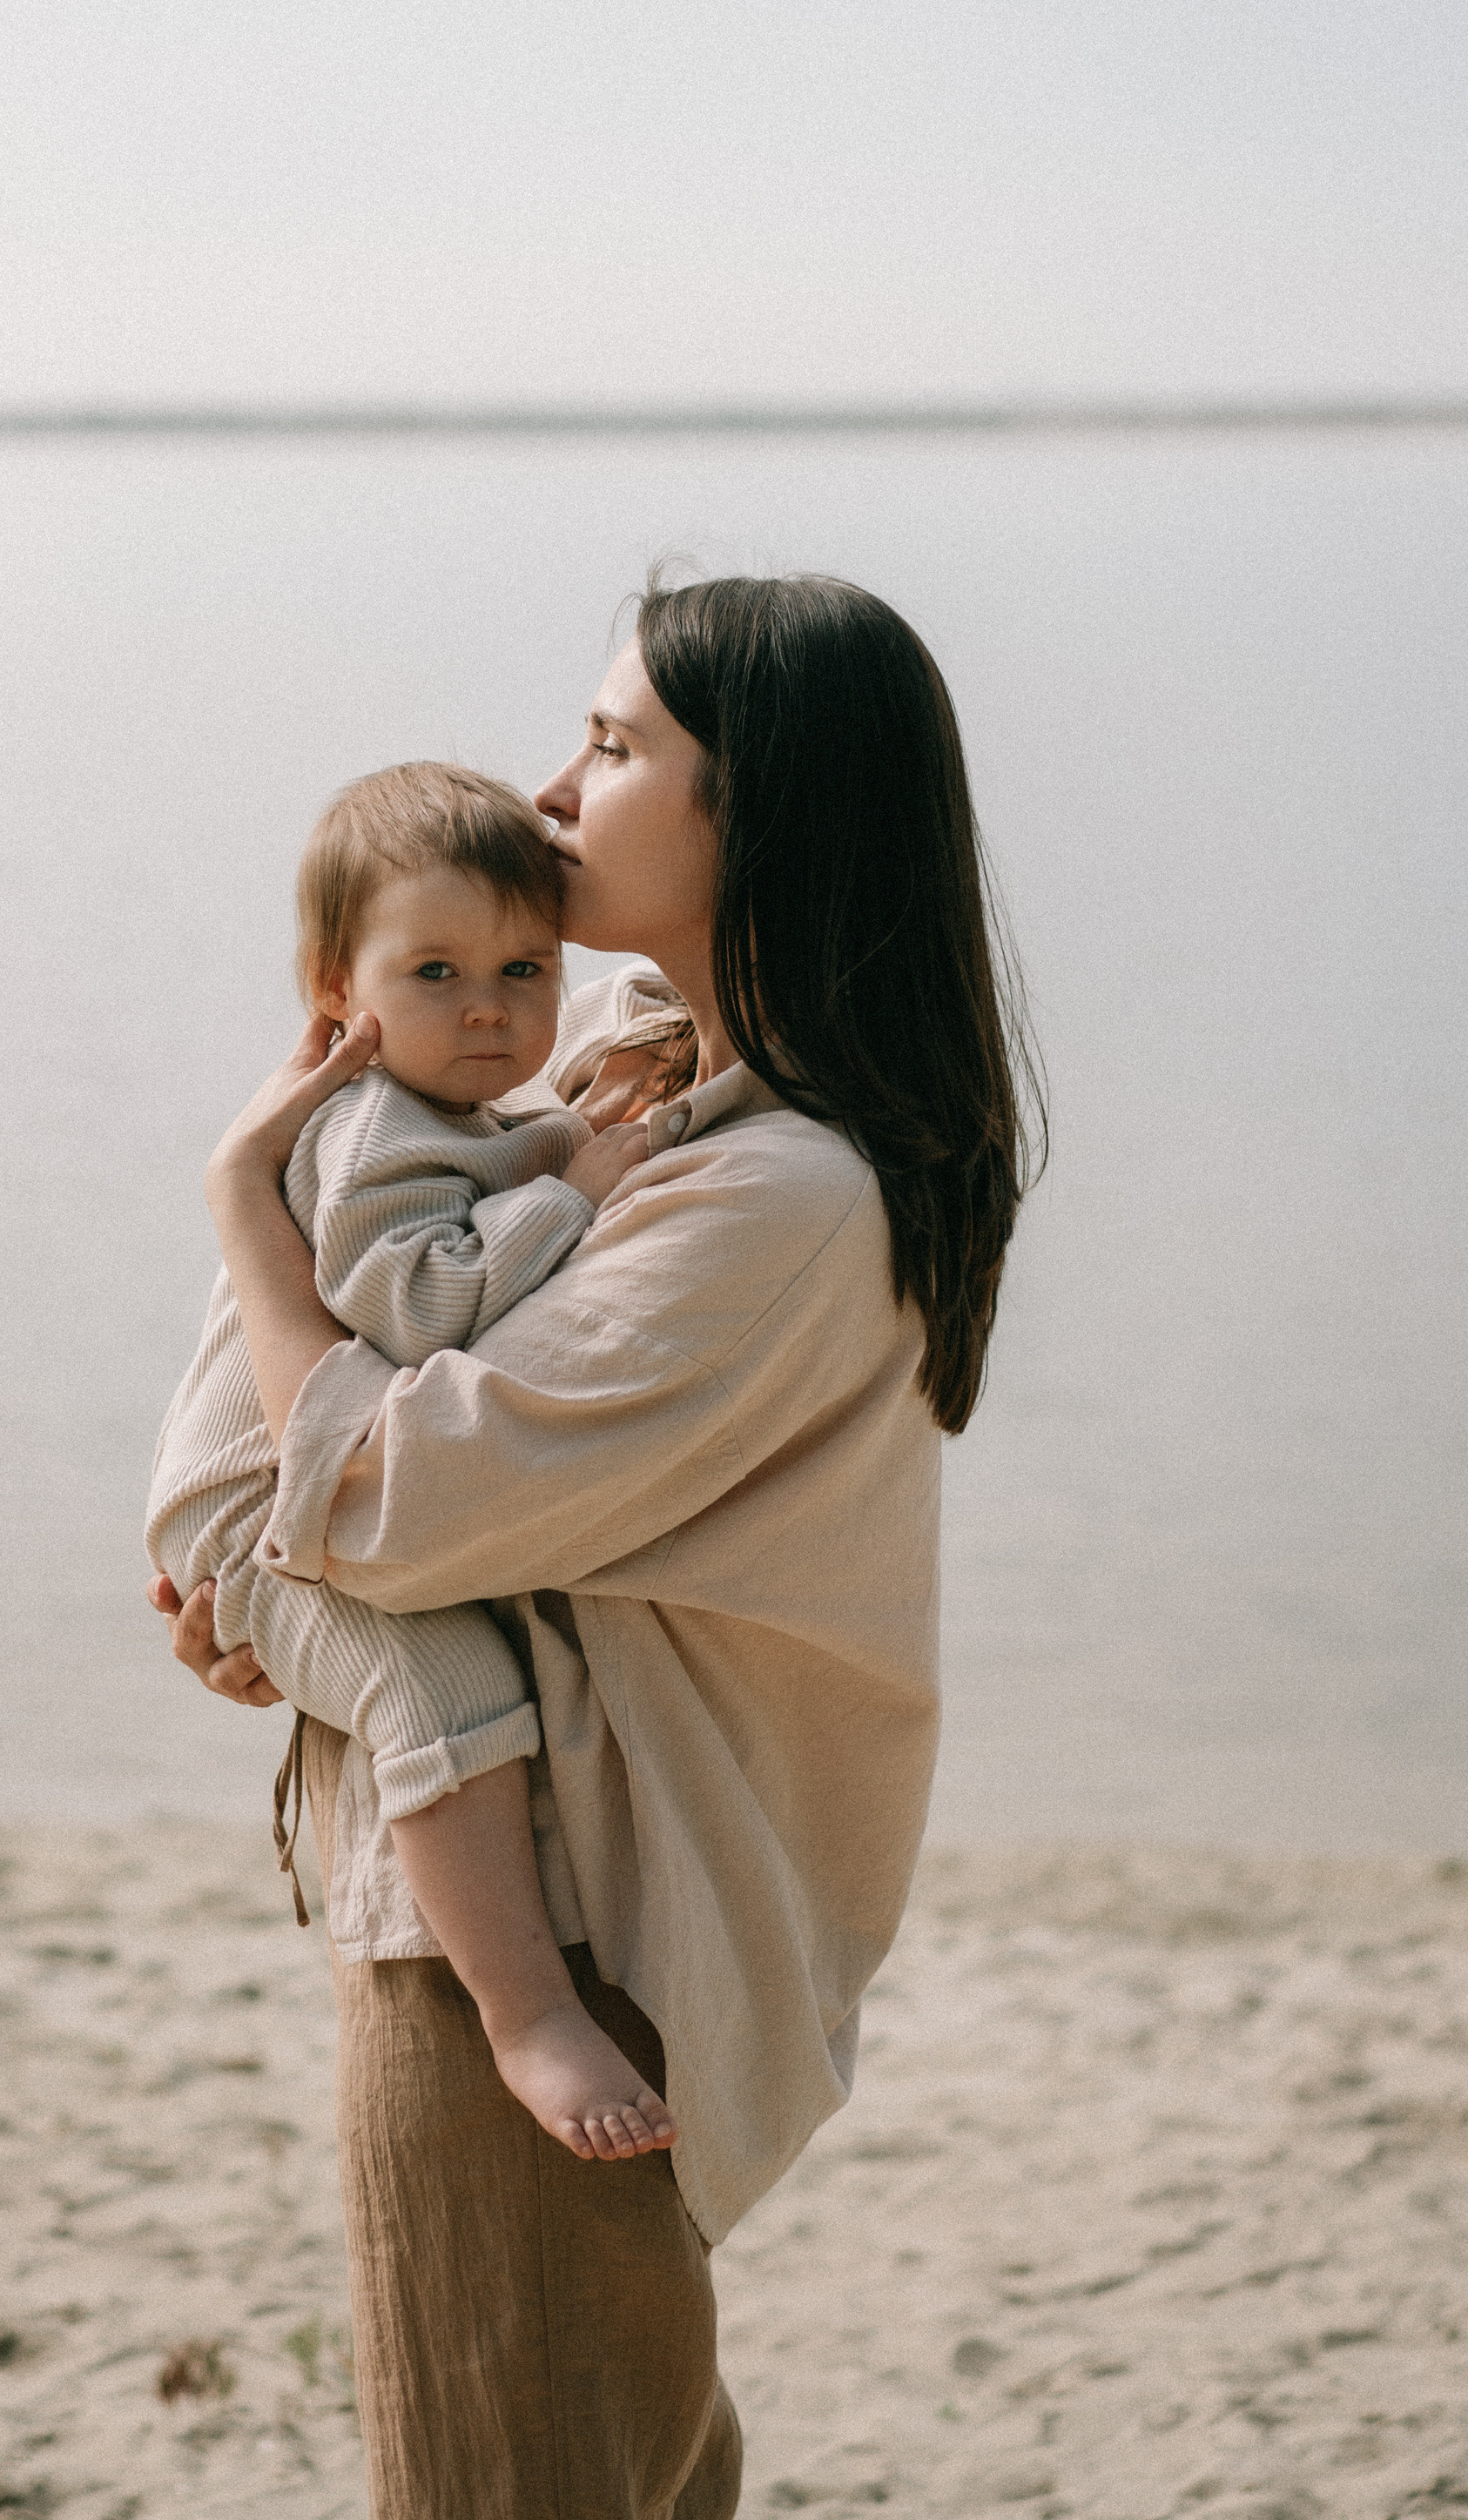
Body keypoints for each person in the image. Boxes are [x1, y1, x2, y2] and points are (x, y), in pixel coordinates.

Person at [152, 573, 1040, 2520]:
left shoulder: (778, 1192)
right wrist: (270, 1593)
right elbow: (356, 1395)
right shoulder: (632, 1061)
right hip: (501, 1882)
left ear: (761, 816)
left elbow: (372, 1494)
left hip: (548, 1932)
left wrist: (236, 1200)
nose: (552, 792)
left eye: (617, 746)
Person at [145, 757, 676, 2159]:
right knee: (444, 1687)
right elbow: (422, 1306)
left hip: (302, 1480)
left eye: (524, 969)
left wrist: (565, 1143)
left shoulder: (463, 1112)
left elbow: (498, 1177)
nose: (489, 1008)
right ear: (338, 989)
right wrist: (574, 1191)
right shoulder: (376, 1127)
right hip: (256, 1509)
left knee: (447, 1670)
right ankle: (528, 2013)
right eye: (435, 973)